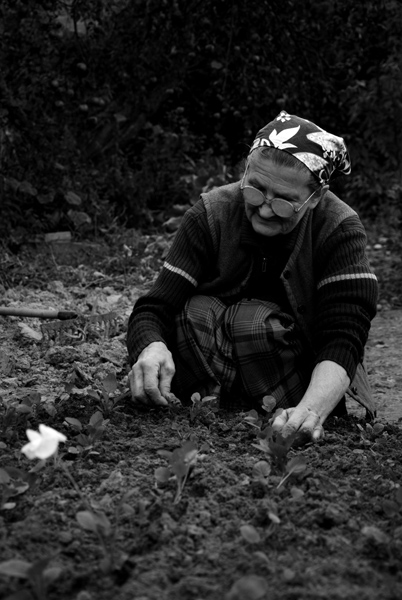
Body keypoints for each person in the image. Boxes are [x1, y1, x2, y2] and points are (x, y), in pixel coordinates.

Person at [126, 111, 378, 442]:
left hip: (294, 375)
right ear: (245, 171)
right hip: (210, 365)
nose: (264, 209)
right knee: (194, 310)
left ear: (315, 197)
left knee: (252, 321)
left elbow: (344, 335)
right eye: (256, 190)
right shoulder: (210, 214)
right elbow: (154, 306)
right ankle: (210, 416)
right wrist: (151, 348)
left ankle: (281, 417)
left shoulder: (338, 228)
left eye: (286, 203)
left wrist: (312, 410)